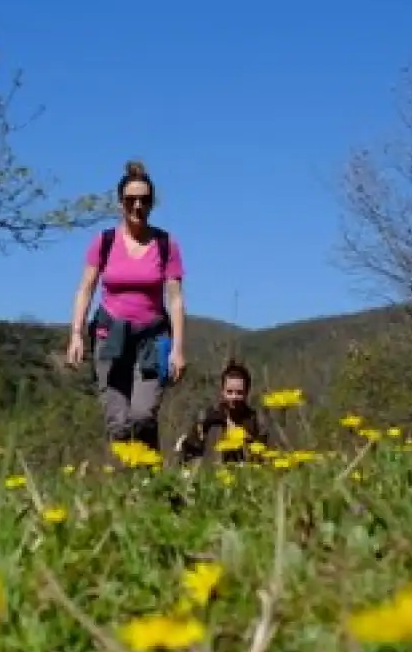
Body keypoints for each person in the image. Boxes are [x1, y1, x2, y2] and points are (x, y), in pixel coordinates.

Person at [64, 160, 187, 453]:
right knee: (118, 424)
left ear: (152, 203)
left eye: (144, 200)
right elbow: (85, 288)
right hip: (110, 336)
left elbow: (176, 298)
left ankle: (152, 481)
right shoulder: (104, 242)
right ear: (120, 203)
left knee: (143, 416)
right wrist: (77, 334)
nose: (137, 206)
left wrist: (178, 348)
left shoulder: (166, 244)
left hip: (153, 338)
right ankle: (126, 491)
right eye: (131, 200)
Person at [177, 359, 271, 464]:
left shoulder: (256, 421)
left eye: (239, 393)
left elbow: (263, 454)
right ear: (222, 391)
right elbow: (189, 448)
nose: (234, 397)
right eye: (229, 392)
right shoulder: (208, 418)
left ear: (247, 392)